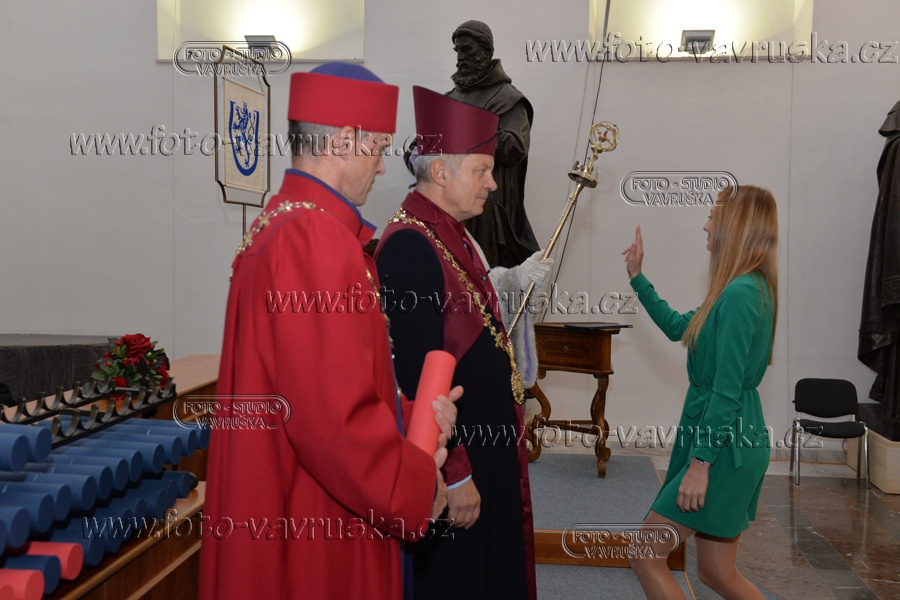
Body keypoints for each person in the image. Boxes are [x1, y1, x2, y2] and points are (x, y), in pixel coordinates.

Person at [199, 63, 458, 600]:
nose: (382, 166)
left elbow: (323, 383)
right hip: (314, 516)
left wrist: (413, 415)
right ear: (343, 141)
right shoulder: (313, 237)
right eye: (378, 148)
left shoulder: (283, 224)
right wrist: (413, 484)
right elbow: (332, 425)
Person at [376, 86, 551, 600]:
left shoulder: (449, 233)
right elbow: (414, 379)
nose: (493, 184)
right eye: (482, 170)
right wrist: (453, 475)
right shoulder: (410, 245)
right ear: (440, 171)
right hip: (460, 459)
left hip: (485, 451)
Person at [622, 186, 778, 599]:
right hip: (726, 438)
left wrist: (701, 463)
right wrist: (638, 277)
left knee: (645, 554)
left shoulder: (741, 293)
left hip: (724, 447)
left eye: (712, 217)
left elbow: (726, 391)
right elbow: (679, 327)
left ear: (734, 226)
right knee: (716, 573)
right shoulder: (738, 288)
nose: (705, 226)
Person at [446, 20, 539, 269]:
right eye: (458, 50)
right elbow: (426, 146)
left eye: (467, 49)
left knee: (484, 281)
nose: (460, 57)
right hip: (448, 208)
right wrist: (414, 151)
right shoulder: (450, 99)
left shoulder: (508, 99)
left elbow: (515, 147)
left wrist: (464, 134)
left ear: (486, 51)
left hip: (486, 212)